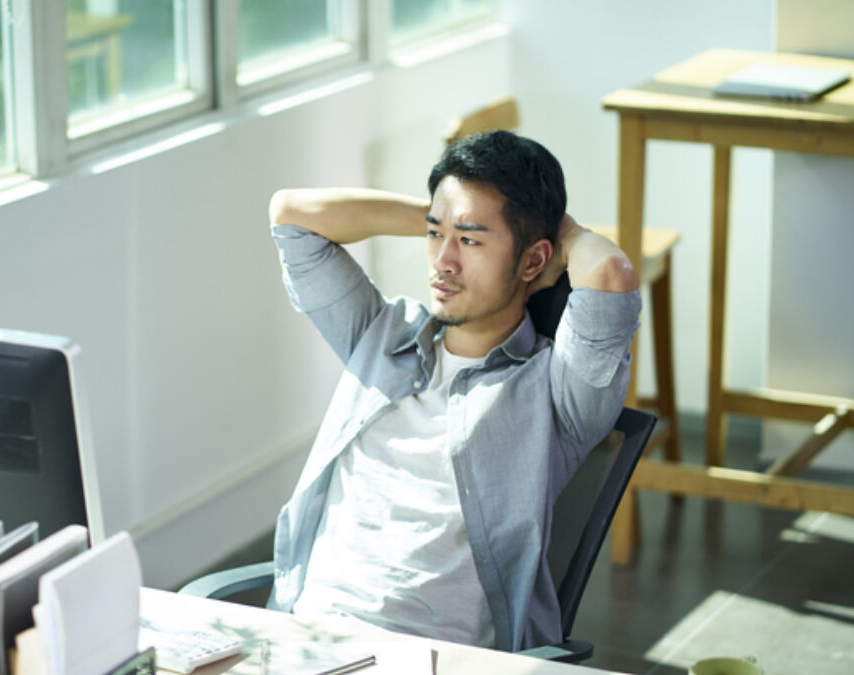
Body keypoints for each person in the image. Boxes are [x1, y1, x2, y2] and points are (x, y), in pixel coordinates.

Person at [266, 130, 641, 651]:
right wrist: (449, 217)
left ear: (534, 261)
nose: (442, 262)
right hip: (306, 639)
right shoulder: (380, 335)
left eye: (469, 241)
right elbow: (292, 214)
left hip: (431, 656)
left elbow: (610, 272)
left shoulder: (554, 395)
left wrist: (562, 234)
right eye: (433, 235)